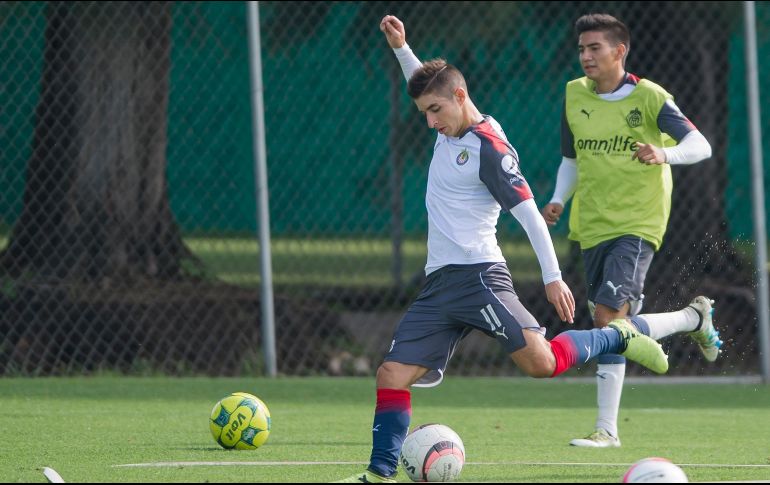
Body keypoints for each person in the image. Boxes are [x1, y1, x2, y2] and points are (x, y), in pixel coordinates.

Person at [337, 14, 705, 484]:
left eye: (435, 111)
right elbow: (428, 83)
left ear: (460, 98)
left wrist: (552, 277)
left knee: (542, 364)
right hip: (440, 284)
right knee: (390, 374)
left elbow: (529, 215)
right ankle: (378, 474)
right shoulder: (449, 119)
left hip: (478, 277)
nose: (431, 123)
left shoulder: (491, 149)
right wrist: (401, 47)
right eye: (424, 113)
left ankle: (618, 336)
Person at [541, 13, 722, 448]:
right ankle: (692, 318)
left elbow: (701, 145)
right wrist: (559, 200)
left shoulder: (650, 97)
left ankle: (606, 431)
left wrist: (663, 154)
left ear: (619, 51)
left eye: (595, 48)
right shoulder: (573, 96)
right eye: (582, 48)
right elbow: (571, 160)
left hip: (638, 223)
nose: (586, 56)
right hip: (592, 224)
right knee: (610, 325)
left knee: (608, 318)